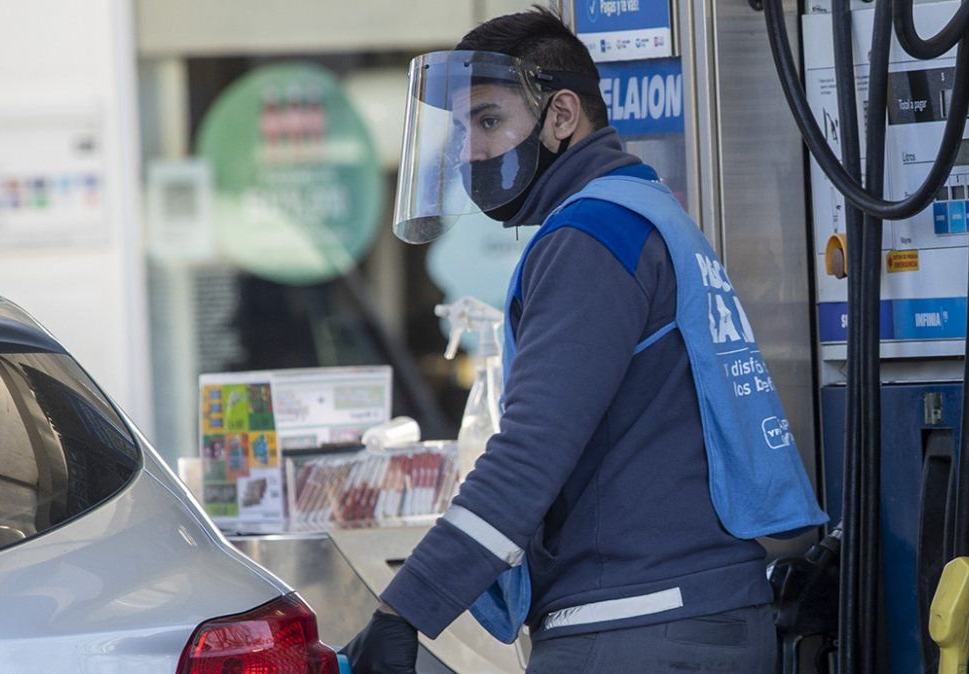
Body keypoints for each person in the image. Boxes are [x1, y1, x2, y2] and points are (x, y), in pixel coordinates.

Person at [341, 7, 826, 673]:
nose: (469, 151)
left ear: (562, 115)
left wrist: (404, 611)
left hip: (638, 628)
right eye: (460, 131)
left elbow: (529, 457)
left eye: (488, 121)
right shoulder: (642, 210)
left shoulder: (591, 238)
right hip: (691, 616)